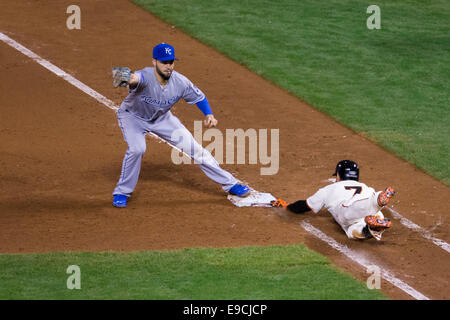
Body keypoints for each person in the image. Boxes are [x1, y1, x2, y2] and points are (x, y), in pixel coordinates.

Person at [111, 43, 250, 208]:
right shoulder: (145, 76)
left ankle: (231, 184)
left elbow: (199, 97)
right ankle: (122, 191)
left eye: (171, 62)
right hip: (133, 118)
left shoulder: (181, 82)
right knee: (137, 149)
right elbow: (133, 78)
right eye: (164, 62)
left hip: (162, 119)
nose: (168, 66)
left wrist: (209, 115)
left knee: (195, 149)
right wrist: (124, 76)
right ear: (154, 62)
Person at [271, 160, 395, 240]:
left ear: (339, 175)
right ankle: (372, 226)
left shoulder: (329, 189)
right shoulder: (364, 186)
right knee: (352, 231)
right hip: (371, 211)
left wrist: (288, 206)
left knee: (351, 212)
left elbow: (304, 206)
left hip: (347, 210)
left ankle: (377, 202)